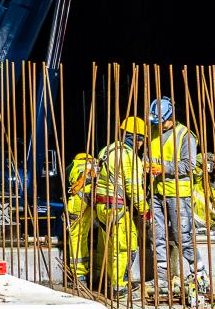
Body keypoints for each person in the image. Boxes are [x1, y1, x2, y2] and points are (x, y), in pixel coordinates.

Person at [145, 97, 206, 301]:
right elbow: (147, 157)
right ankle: (162, 277)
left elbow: (189, 165)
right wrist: (146, 166)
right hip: (157, 192)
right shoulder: (154, 133)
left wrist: (165, 168)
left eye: (160, 122)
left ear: (170, 118)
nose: (158, 126)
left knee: (182, 236)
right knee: (157, 235)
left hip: (179, 193)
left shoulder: (185, 136)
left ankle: (198, 273)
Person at [92, 117, 150, 298]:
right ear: (135, 138)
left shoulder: (106, 150)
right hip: (116, 208)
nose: (141, 145)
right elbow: (134, 189)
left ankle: (110, 282)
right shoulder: (128, 156)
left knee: (110, 246)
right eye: (140, 140)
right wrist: (145, 211)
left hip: (101, 207)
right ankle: (119, 287)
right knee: (126, 247)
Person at [63, 151, 98, 288]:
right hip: (97, 197)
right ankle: (101, 273)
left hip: (79, 199)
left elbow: (68, 180)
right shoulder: (97, 165)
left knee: (77, 237)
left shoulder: (73, 165)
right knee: (102, 235)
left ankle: (80, 277)